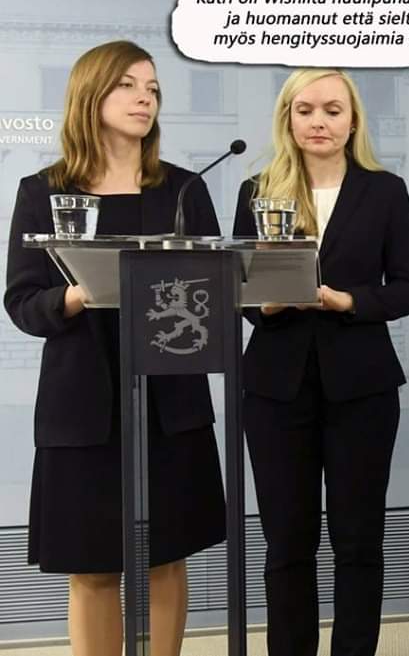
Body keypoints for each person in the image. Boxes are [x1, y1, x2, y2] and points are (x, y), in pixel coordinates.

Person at [4, 40, 225, 656]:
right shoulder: (41, 191)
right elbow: (23, 301)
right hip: (82, 402)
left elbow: (214, 292)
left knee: (166, 558)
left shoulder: (183, 189)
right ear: (90, 94)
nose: (143, 98)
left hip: (169, 398)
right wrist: (79, 295)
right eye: (127, 85)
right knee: (93, 565)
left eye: (152, 88)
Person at [233, 68, 409, 656]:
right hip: (275, 388)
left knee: (358, 541)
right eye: (306, 110)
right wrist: (266, 304)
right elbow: (237, 290)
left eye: (332, 110)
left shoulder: (385, 190)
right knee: (287, 544)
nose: (319, 121)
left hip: (362, 386)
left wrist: (349, 301)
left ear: (353, 120)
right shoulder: (256, 190)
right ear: (288, 118)